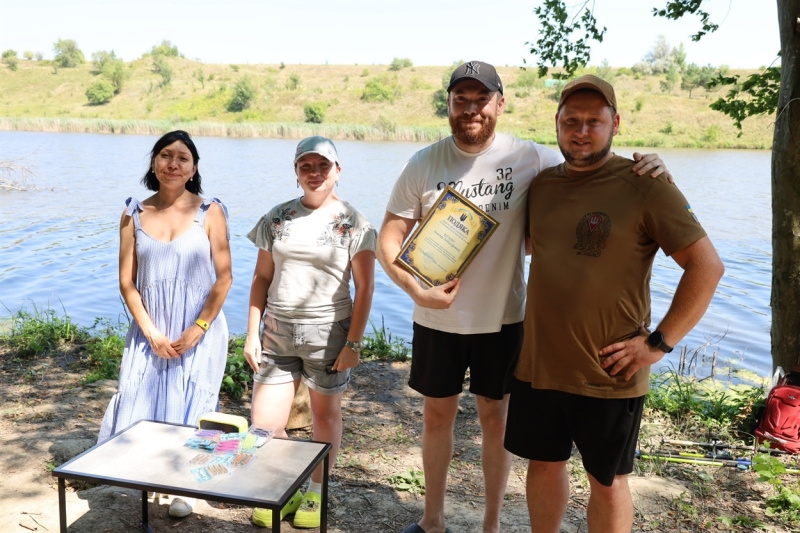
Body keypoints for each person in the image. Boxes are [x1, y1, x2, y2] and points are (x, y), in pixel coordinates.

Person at [376, 61, 671, 533]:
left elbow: (593, 163)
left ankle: (492, 525)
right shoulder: (423, 163)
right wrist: (415, 289)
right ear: (448, 104)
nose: (471, 109)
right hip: (437, 319)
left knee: (497, 421)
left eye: (481, 100)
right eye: (461, 100)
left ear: (499, 103)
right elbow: (387, 241)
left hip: (506, 319)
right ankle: (432, 521)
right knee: (436, 417)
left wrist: (654, 167)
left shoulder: (531, 157)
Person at [505, 75, 725, 533]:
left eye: (594, 121)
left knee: (607, 482)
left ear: (616, 123)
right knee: (543, 466)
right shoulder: (542, 185)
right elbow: (523, 245)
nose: (581, 131)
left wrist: (658, 343)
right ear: (558, 123)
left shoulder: (646, 184)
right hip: (540, 364)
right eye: (571, 121)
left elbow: (706, 268)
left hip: (610, 371)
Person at [98, 130, 233, 518]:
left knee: (193, 400)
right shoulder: (133, 213)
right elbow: (127, 283)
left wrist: (199, 328)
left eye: (183, 158)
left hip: (198, 326)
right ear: (154, 162)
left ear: (193, 168)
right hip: (151, 327)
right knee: (142, 394)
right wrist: (151, 332)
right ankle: (148, 473)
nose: (173, 164)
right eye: (165, 155)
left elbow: (223, 278)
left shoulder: (211, 210)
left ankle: (185, 485)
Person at [244, 136, 376, 529]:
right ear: (296, 171)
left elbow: (365, 287)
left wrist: (353, 343)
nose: (315, 174)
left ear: (338, 171)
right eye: (306, 166)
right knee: (265, 423)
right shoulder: (277, 217)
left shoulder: (355, 222)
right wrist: (252, 333)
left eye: (323, 166)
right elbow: (261, 277)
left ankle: (317, 490)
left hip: (329, 334)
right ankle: (286, 485)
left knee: (324, 416)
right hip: (277, 331)